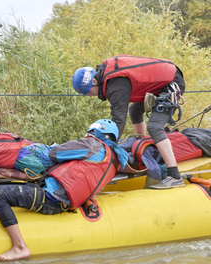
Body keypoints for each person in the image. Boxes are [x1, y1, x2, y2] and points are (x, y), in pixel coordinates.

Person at [0, 119, 128, 261]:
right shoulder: (112, 160)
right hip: (63, 200)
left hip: (52, 198)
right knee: (5, 188)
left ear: (94, 132)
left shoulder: (93, 144)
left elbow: (54, 153)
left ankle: (19, 247)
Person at [72, 55, 186, 189]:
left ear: (94, 81)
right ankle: (143, 145)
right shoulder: (110, 78)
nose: (90, 96)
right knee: (134, 111)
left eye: (88, 91)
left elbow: (118, 121)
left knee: (155, 127)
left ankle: (174, 176)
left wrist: (105, 152)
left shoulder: (115, 83)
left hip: (172, 84)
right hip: (161, 84)